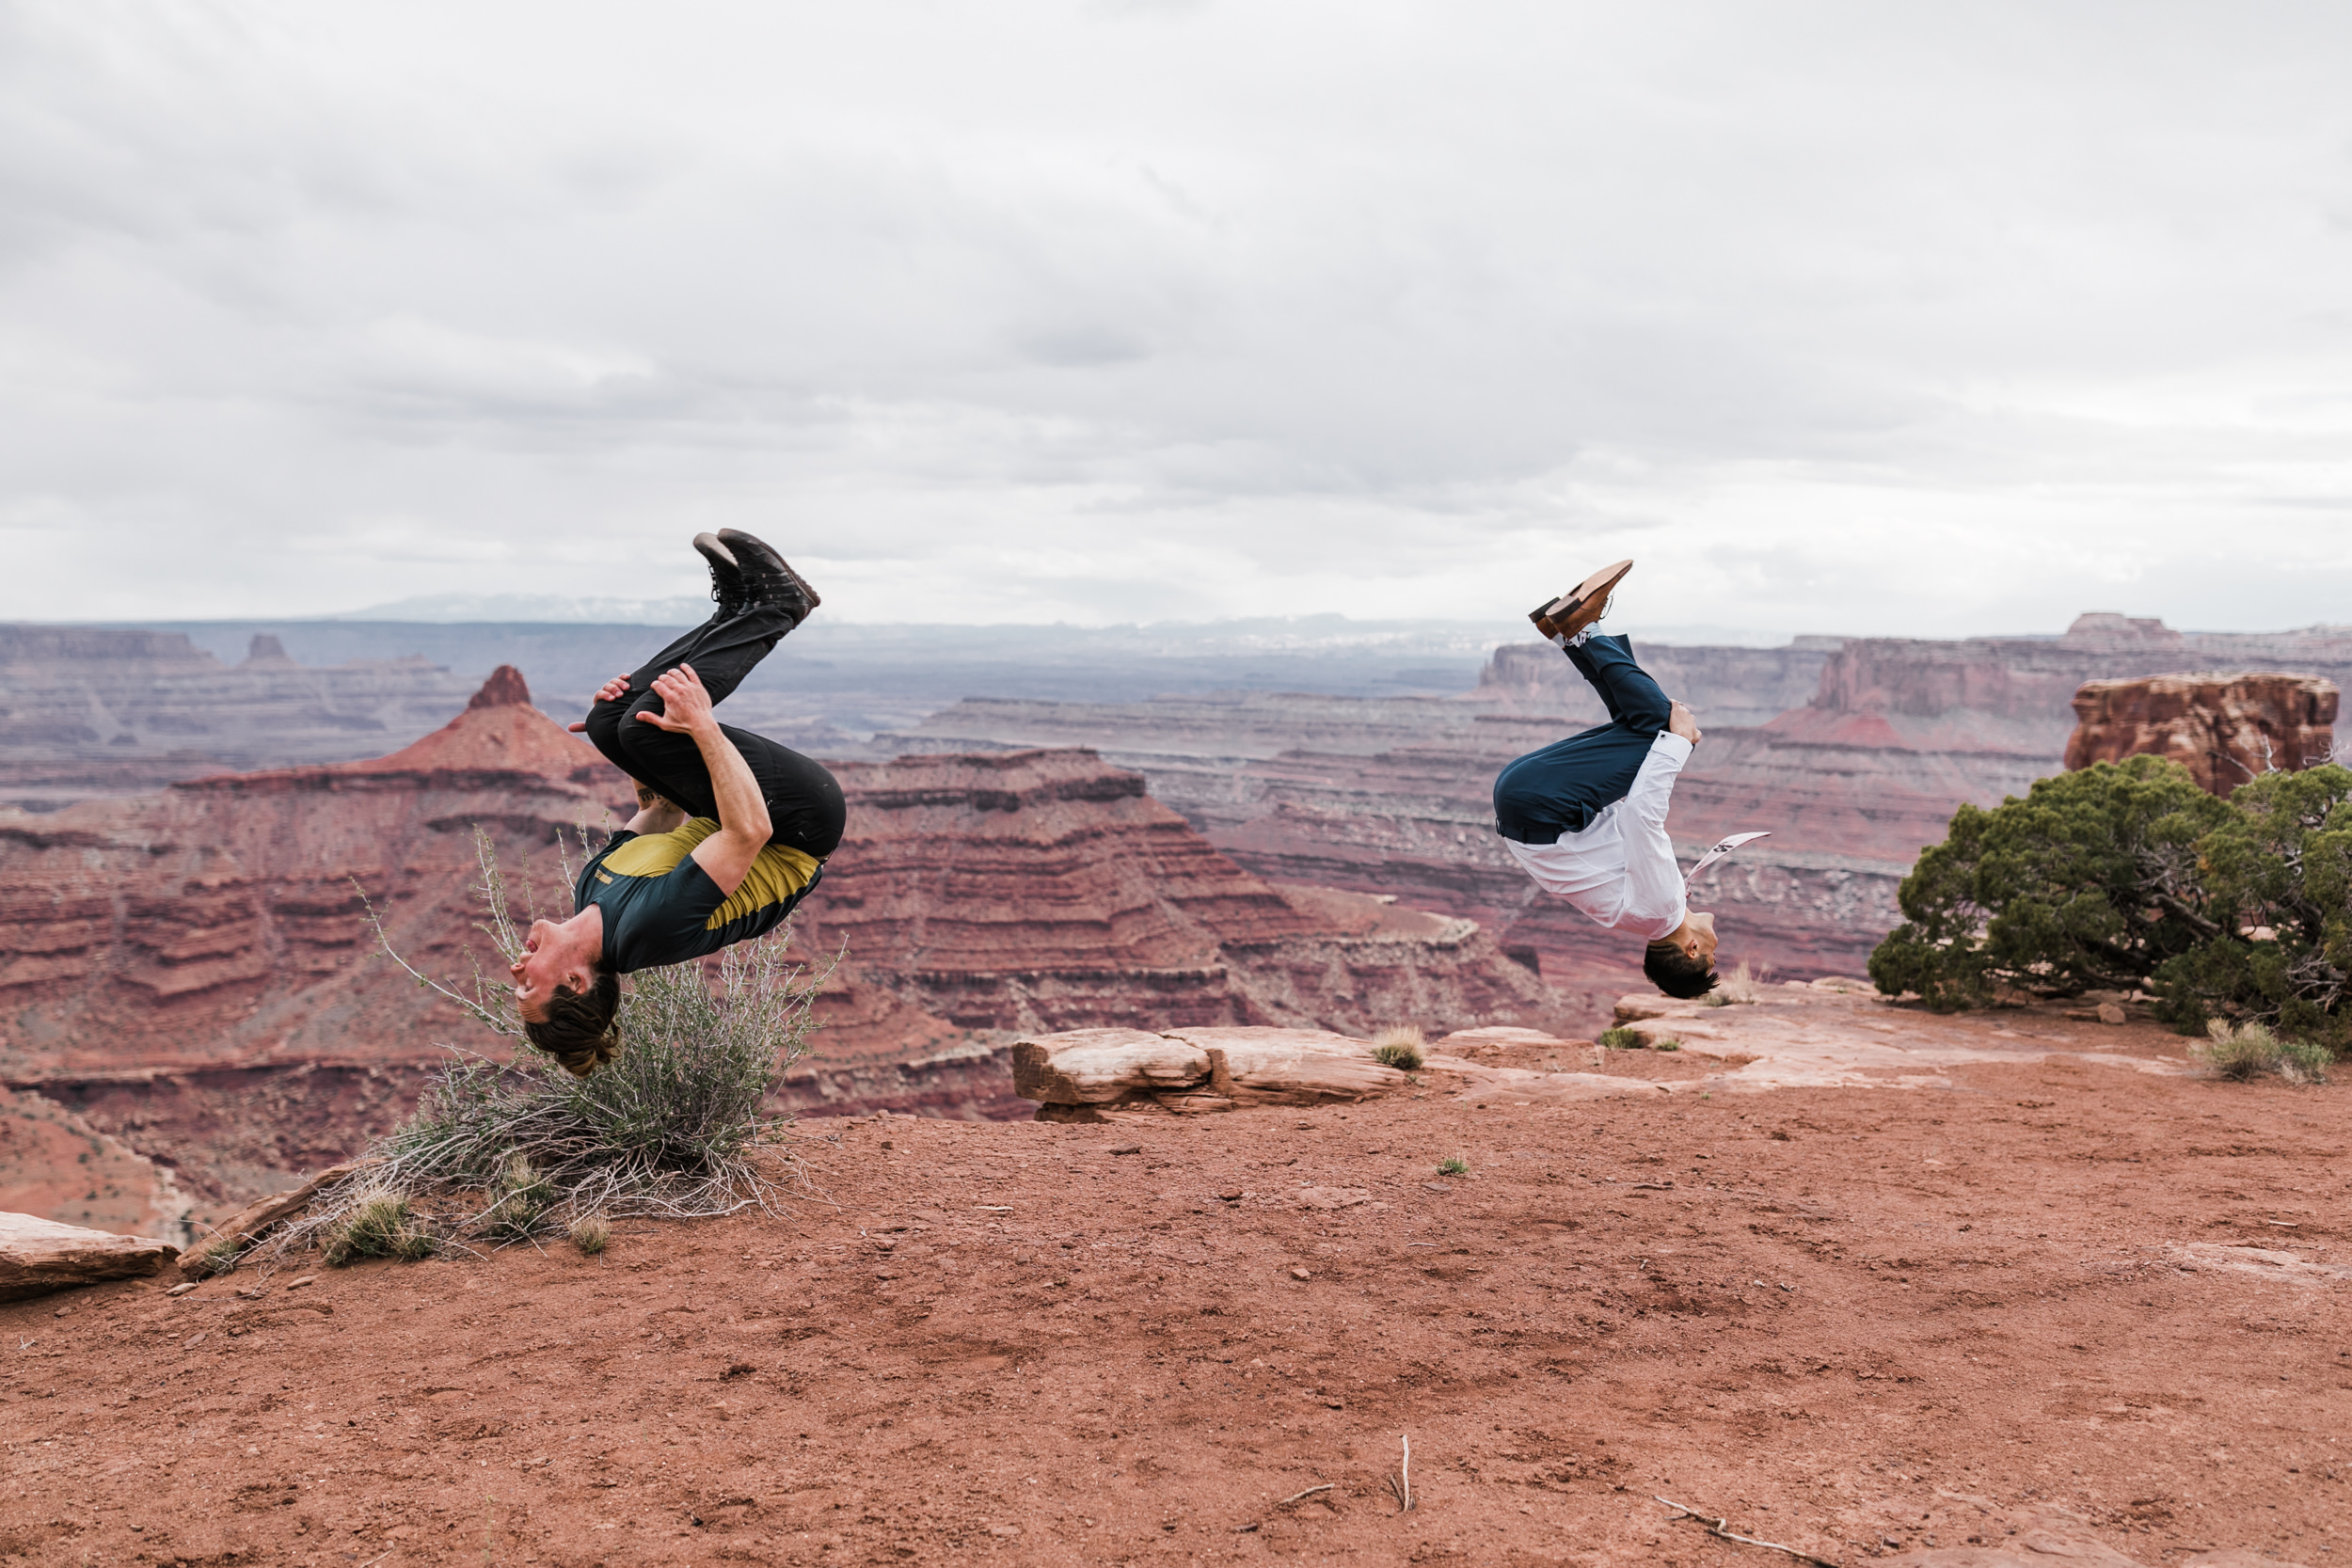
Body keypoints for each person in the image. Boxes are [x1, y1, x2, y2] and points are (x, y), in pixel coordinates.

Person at [508, 529, 848, 1076]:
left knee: (614, 724)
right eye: (528, 984)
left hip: (735, 811)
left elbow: (663, 810)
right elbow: (748, 833)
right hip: (796, 824)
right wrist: (701, 723)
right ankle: (778, 607)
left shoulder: (591, 894)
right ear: (574, 982)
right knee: (649, 734)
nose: (515, 967)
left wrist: (610, 731)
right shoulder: (649, 930)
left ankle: (736, 611)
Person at [1491, 560, 1720, 999]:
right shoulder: (1645, 915)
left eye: (1713, 956)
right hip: (1524, 803)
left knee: (1659, 726)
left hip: (1544, 803)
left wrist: (1679, 745)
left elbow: (1641, 820)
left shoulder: (1659, 910)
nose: (1717, 947)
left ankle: (1582, 629)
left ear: (1692, 950)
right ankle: (1564, 632)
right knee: (1640, 725)